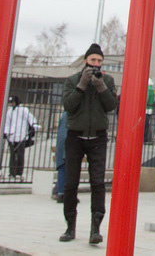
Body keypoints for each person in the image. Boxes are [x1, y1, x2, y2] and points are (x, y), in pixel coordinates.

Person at [59, 43, 118, 245]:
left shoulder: (107, 80)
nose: (96, 64)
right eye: (93, 60)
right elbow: (68, 106)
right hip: (75, 137)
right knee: (70, 183)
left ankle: (96, 228)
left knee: (98, 182)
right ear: (86, 61)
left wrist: (101, 87)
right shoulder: (72, 80)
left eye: (99, 61)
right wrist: (82, 85)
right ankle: (70, 226)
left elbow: (111, 106)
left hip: (98, 138)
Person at [3, 95, 36, 180]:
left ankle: (19, 172)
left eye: (13, 102)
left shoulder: (24, 110)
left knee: (20, 154)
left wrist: (34, 126)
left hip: (21, 135)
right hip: (12, 136)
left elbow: (30, 118)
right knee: (12, 155)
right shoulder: (10, 111)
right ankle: (12, 172)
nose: (12, 104)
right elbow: (7, 123)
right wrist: (6, 132)